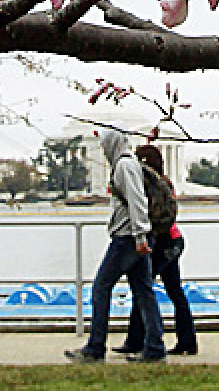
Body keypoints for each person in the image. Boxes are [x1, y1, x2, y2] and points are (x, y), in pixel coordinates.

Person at [65, 129, 165, 363]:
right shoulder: (127, 165)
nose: (103, 151)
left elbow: (137, 202)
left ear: (113, 144)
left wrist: (140, 237)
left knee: (101, 288)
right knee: (144, 293)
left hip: (128, 239)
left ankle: (95, 347)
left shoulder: (124, 166)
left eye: (104, 146)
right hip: (134, 238)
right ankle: (154, 348)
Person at [117, 144, 198, 356]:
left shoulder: (151, 184)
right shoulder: (164, 182)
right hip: (173, 240)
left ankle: (139, 340)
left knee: (143, 288)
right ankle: (186, 341)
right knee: (171, 291)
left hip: (164, 242)